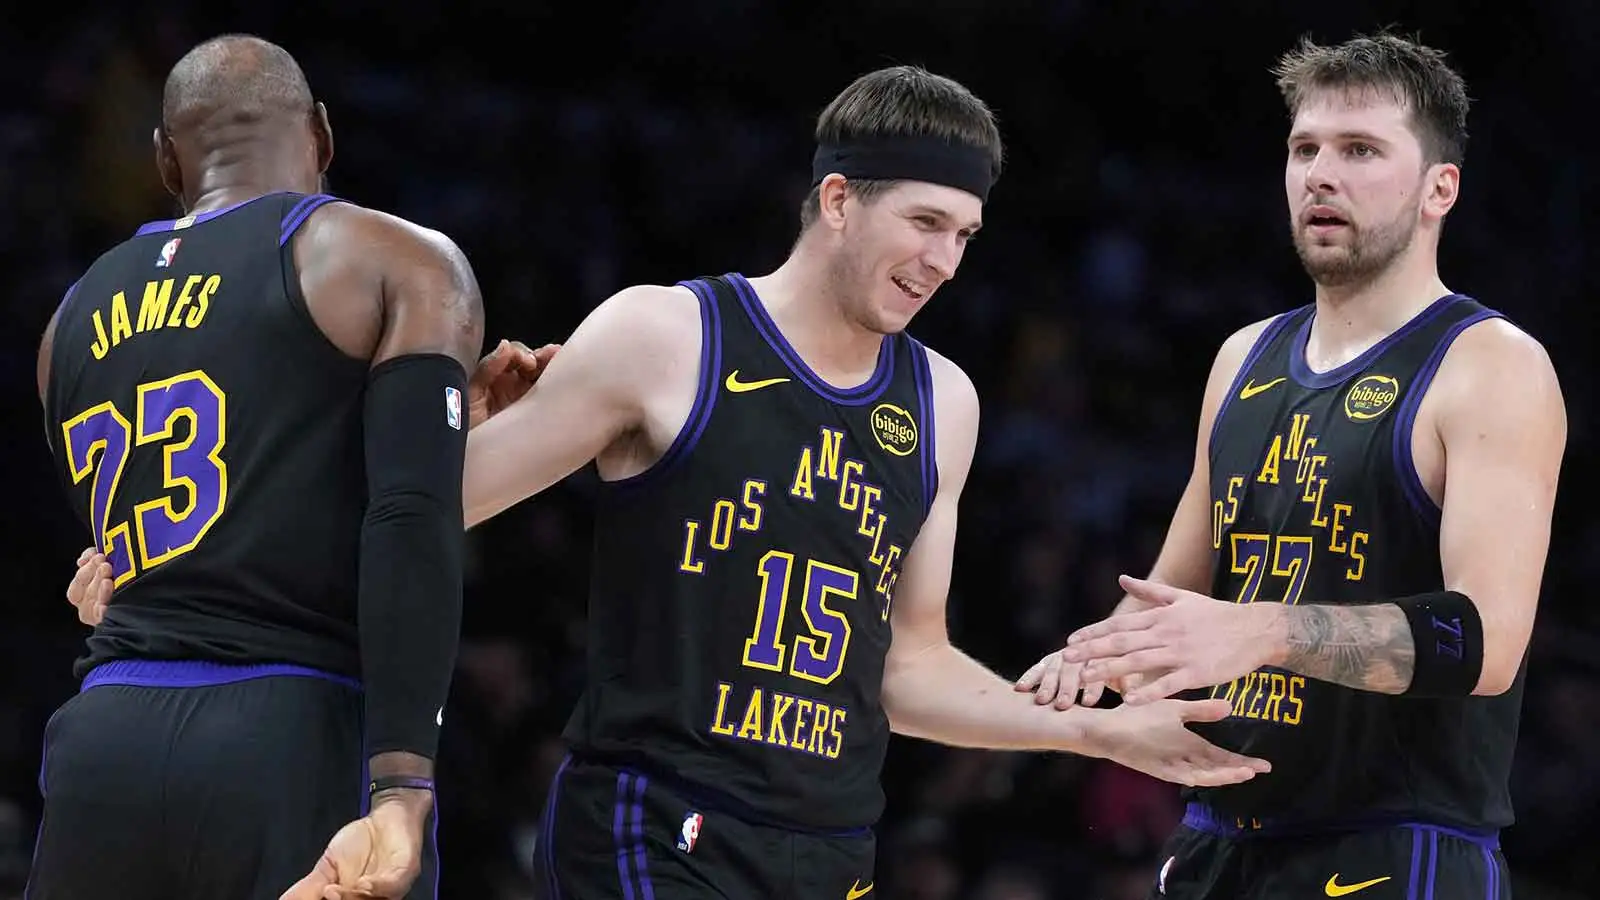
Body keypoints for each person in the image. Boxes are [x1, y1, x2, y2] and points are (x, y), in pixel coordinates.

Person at [61, 63, 1271, 899]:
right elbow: (427, 504)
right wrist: (175, 554)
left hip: (830, 845)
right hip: (653, 825)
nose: (944, 261)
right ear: (837, 200)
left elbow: (905, 668)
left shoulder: (941, 402)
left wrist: (1094, 735)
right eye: (923, 223)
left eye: (964, 235)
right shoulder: (666, 336)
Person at [1019, 32, 1565, 899]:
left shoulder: (1491, 364)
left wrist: (1265, 631)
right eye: (1304, 149)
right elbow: (1170, 597)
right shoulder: (1244, 357)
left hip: (1394, 847)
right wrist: (1090, 669)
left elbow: (1487, 642)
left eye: (1360, 151)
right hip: (1217, 839)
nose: (1320, 175)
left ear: (1440, 189)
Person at [33, 34, 547, 900]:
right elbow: (407, 518)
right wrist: (402, 787)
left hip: (102, 742)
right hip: (292, 726)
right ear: (323, 135)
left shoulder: (68, 320)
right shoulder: (390, 257)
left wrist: (445, 429)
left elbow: (155, 545)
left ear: (166, 160)